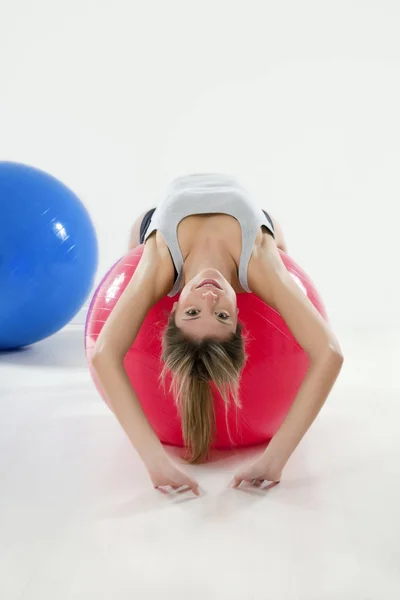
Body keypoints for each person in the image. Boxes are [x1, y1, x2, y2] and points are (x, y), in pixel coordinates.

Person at [92, 173, 343, 496]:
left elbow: (104, 354)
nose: (208, 297)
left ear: (173, 309)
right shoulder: (259, 262)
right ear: (240, 317)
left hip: (156, 222)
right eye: (221, 315)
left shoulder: (159, 264)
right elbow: (329, 353)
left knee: (137, 239)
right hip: (260, 224)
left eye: (192, 312)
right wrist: (275, 460)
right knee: (276, 238)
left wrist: (154, 461)